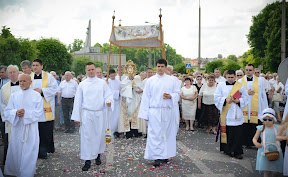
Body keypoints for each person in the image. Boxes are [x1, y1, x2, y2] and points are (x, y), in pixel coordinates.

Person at [71, 62, 113, 171]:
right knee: (87, 137)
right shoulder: (82, 84)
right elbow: (78, 101)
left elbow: (108, 95)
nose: (91, 71)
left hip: (99, 113)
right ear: (86, 71)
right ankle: (87, 160)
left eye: (92, 69)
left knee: (99, 135)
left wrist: (108, 101)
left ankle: (98, 155)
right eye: (88, 70)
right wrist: (77, 116)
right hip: (87, 114)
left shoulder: (102, 83)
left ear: (95, 70)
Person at [138, 59, 180, 167]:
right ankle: (156, 156)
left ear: (165, 67)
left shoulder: (172, 80)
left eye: (162, 66)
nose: (160, 68)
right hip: (155, 111)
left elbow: (177, 93)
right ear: (156, 67)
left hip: (167, 110)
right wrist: (145, 114)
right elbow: (146, 97)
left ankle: (165, 155)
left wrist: (171, 96)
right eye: (158, 66)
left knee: (167, 133)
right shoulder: (150, 81)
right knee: (155, 134)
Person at [3, 74, 44, 177]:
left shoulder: (36, 95)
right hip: (18, 127)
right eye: (20, 81)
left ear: (30, 82)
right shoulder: (15, 95)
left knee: (30, 150)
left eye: (24, 81)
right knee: (17, 149)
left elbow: (39, 112)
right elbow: (7, 111)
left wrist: (25, 114)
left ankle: (27, 173)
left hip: (30, 128)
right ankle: (16, 171)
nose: (21, 83)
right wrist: (16, 112)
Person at [214, 70, 249, 159]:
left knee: (237, 133)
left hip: (237, 112)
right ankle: (228, 150)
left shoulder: (240, 86)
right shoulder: (221, 85)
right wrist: (225, 100)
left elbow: (246, 97)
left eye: (232, 77)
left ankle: (237, 151)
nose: (230, 79)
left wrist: (239, 101)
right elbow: (216, 97)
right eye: (229, 77)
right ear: (225, 77)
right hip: (227, 113)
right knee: (228, 132)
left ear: (235, 77)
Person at [30, 59, 58, 159]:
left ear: (42, 66)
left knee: (45, 131)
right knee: (35, 131)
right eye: (33, 65)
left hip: (46, 108)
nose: (35, 67)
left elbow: (55, 89)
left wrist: (41, 91)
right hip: (33, 108)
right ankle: (35, 150)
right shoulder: (29, 77)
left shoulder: (49, 77)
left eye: (37, 65)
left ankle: (43, 151)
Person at [239, 64, 268, 148]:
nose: (248, 71)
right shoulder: (240, 81)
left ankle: (255, 142)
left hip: (257, 107)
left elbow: (263, 94)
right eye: (247, 70)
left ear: (254, 70)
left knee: (255, 125)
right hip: (245, 106)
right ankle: (246, 142)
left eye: (250, 70)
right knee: (245, 125)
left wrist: (265, 108)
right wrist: (245, 93)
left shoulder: (260, 81)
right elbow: (236, 93)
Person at [253, 108, 283, 176]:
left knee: (276, 170)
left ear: (273, 120)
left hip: (276, 150)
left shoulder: (277, 128)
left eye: (269, 120)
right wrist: (256, 143)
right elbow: (254, 138)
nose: (267, 121)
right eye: (265, 119)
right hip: (264, 150)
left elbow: (280, 137)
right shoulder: (261, 128)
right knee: (266, 170)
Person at [0, 65, 20, 164]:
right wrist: (7, 116)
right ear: (8, 74)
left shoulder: (24, 84)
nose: (12, 74)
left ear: (18, 72)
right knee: (10, 140)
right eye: (10, 72)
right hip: (10, 120)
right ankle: (9, 162)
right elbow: (2, 104)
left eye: (14, 72)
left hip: (22, 118)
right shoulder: (4, 88)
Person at [107, 69, 121, 137]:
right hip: (111, 101)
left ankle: (117, 130)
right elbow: (109, 92)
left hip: (117, 101)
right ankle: (111, 129)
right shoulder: (108, 82)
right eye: (111, 76)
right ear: (109, 75)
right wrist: (117, 91)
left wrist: (120, 91)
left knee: (117, 116)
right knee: (111, 116)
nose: (113, 77)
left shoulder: (118, 81)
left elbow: (120, 89)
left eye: (114, 75)